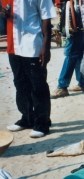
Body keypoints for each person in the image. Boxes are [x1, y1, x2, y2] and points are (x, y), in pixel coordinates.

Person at [1, 0, 56, 138]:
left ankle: (42, 123)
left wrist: (46, 47)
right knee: (20, 84)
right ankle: (27, 118)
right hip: (14, 46)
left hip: (32, 44)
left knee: (38, 85)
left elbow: (46, 17)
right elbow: (4, 11)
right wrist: (3, 13)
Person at [51, 0, 84, 99]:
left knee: (70, 55)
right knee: (79, 54)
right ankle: (83, 83)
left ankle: (62, 86)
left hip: (75, 25)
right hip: (79, 24)